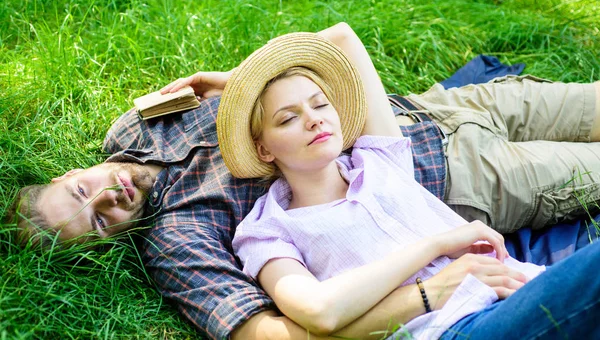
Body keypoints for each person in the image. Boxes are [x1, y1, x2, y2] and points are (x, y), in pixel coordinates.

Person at [4, 22, 600, 339]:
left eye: (84, 192)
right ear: (115, 243)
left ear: (72, 171)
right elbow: (276, 332)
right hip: (458, 179)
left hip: (423, 110)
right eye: (101, 220)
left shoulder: (133, 124)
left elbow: (303, 66)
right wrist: (428, 291)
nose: (110, 196)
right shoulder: (176, 241)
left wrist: (241, 77)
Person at [219, 28, 600, 339]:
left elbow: (344, 38)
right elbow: (318, 311)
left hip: (521, 286)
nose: (314, 120)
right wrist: (437, 245)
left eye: (320, 105)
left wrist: (241, 80)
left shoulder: (378, 158)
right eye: (288, 119)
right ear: (263, 149)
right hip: (453, 328)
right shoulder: (267, 230)